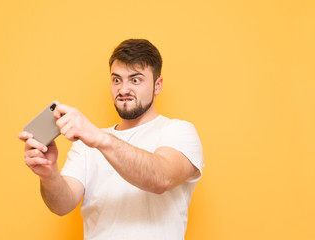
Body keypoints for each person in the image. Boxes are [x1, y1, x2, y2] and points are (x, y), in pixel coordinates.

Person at [18, 39, 204, 240]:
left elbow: (161, 178)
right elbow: (62, 206)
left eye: (135, 80)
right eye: (117, 80)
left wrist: (99, 139)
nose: (123, 90)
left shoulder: (178, 131)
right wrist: (49, 173)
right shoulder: (85, 143)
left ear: (157, 85)